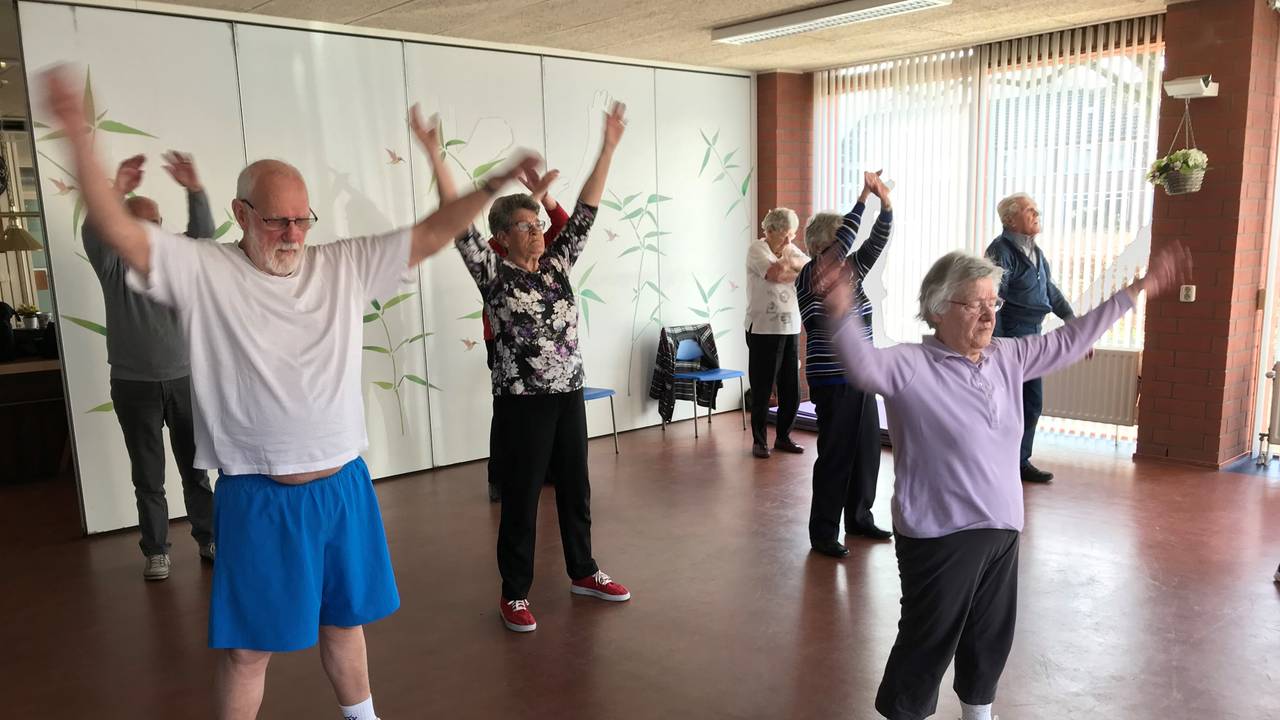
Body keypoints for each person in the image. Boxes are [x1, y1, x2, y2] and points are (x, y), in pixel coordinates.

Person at [45, 67, 545, 720]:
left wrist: (494, 180)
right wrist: (79, 134)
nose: (291, 234)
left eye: (301, 219)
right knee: (248, 653)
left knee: (344, 626)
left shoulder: (342, 264)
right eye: (276, 220)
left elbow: (432, 231)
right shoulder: (203, 270)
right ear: (240, 214)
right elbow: (117, 229)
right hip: (259, 498)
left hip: (343, 490)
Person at [818, 238, 1191, 720]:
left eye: (994, 302)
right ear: (937, 308)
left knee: (989, 637)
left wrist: (1135, 290)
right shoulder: (910, 364)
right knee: (927, 644)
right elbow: (863, 365)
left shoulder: (1008, 357)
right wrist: (841, 308)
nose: (990, 314)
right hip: (940, 534)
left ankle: (979, 715)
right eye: (975, 304)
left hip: (1002, 528)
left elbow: (1068, 340)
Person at [418, 102, 631, 633]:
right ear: (502, 236)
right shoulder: (492, 274)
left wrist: (608, 147)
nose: (537, 231)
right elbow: (456, 217)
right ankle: (514, 593)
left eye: (537, 224)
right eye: (524, 225)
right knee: (521, 499)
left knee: (576, 489)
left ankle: (583, 571)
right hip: (521, 403)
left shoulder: (558, 262)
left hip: (568, 397)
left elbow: (587, 208)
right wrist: (433, 153)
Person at [83, 151, 216, 581]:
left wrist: (195, 190)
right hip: (133, 385)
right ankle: (156, 551)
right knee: (148, 478)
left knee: (196, 471)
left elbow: (204, 238)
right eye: (138, 223)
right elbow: (92, 229)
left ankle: (209, 538)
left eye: (155, 223)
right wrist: (117, 189)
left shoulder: (177, 260)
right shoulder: (112, 265)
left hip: (182, 380)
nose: (150, 231)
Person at [794, 171, 894, 558]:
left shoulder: (850, 274)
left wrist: (885, 205)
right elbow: (851, 236)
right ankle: (823, 532)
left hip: (860, 374)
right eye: (838, 239)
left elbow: (876, 240)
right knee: (836, 453)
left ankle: (859, 518)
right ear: (824, 243)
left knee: (867, 448)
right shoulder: (813, 273)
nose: (846, 247)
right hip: (832, 378)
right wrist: (863, 196)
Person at [985, 193, 1076, 484]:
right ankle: (1001, 461)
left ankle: (1019, 461)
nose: (1037, 214)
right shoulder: (1001, 251)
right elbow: (993, 298)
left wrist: (1071, 319)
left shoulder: (1036, 252)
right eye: (1029, 210)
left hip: (1033, 336)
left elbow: (1049, 290)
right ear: (1011, 219)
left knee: (1031, 403)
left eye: (1037, 209)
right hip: (1011, 336)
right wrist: (994, 344)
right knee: (1008, 404)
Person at [745, 207, 808, 459]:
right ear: (769, 230)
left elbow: (806, 271)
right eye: (784, 235)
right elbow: (774, 274)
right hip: (762, 329)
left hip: (790, 327)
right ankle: (759, 441)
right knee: (762, 388)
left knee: (791, 389)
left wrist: (787, 265)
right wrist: (788, 263)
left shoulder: (790, 248)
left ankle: (784, 437)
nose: (789, 240)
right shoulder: (756, 249)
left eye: (791, 235)